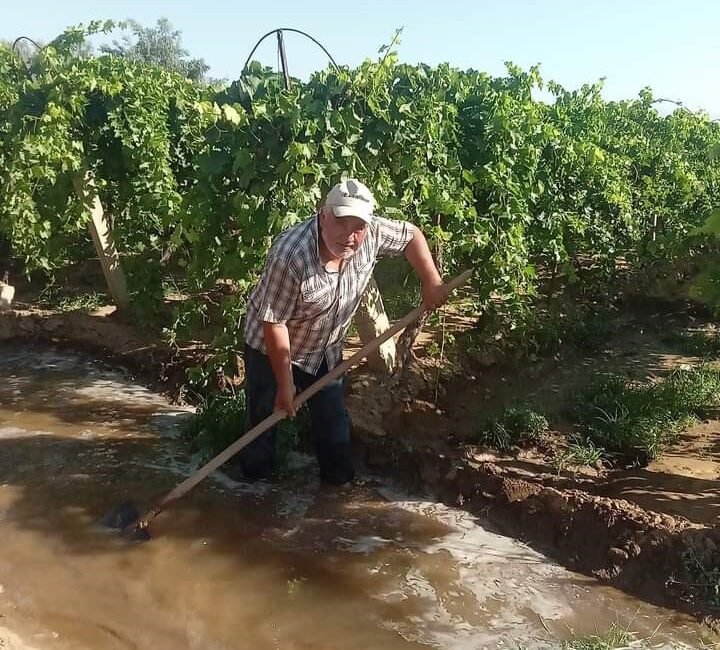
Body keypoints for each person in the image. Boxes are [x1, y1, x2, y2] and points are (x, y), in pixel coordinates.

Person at [231, 178, 449, 485]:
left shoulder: (371, 234)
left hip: (325, 349)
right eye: (340, 222)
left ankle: (337, 490)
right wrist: (285, 383)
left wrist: (431, 281)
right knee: (264, 421)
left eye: (358, 226)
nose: (349, 235)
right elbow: (274, 322)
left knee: (333, 420)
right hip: (271, 350)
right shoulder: (290, 255)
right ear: (322, 215)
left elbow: (411, 235)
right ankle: (254, 493)